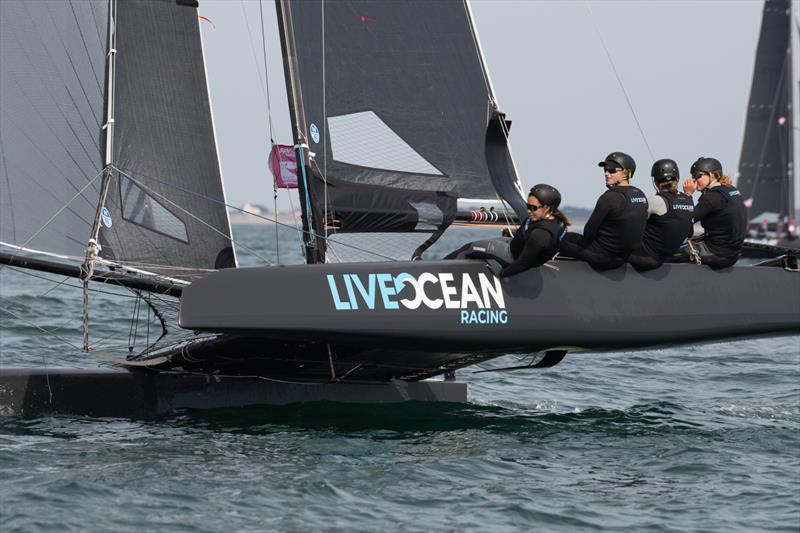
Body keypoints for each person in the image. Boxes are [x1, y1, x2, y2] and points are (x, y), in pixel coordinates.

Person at [559, 151, 648, 270]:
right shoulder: (641, 195)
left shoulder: (609, 197)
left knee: (562, 238)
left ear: (626, 173)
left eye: (612, 170)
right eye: (605, 170)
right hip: (625, 257)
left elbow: (588, 232)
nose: (606, 173)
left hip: (604, 258)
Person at [675, 157, 747, 269]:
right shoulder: (731, 190)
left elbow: (686, 224)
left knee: (670, 254)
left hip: (717, 254)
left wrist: (688, 195)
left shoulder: (711, 197)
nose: (694, 180)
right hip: (733, 254)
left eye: (698, 176)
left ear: (712, 175)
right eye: (693, 176)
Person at [628, 159, 695, 271]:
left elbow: (632, 225)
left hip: (645, 258)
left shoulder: (655, 200)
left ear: (655, 182)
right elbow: (690, 233)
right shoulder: (689, 200)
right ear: (677, 178)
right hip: (665, 258)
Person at [498, 184, 570, 277]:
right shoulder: (555, 221)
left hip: (511, 256)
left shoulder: (541, 234)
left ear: (547, 208)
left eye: (533, 208)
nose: (528, 211)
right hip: (512, 244)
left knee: (473, 247)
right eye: (528, 206)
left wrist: (501, 274)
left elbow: (522, 264)